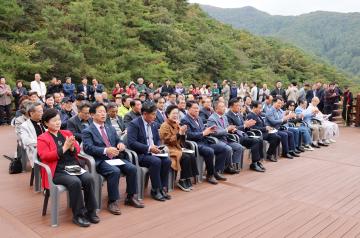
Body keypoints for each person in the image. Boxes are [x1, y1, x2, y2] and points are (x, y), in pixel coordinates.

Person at [37, 108, 99, 227]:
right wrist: (64, 148)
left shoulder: (67, 133)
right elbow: (45, 156)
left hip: (71, 166)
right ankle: (78, 215)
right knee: (75, 182)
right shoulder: (42, 138)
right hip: (57, 171)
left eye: (59, 120)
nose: (58, 122)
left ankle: (91, 211)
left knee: (88, 178)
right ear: (46, 123)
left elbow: (77, 150)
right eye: (54, 120)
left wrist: (72, 148)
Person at [82, 103, 144, 215]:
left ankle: (130, 197)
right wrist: (105, 150)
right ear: (92, 115)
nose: (103, 114)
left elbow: (118, 140)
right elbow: (88, 148)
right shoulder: (88, 131)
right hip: (101, 160)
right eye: (100, 112)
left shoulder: (109, 128)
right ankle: (112, 201)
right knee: (114, 171)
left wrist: (121, 145)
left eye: (104, 112)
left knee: (132, 168)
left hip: (115, 157)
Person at [127, 102, 172, 201]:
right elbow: (132, 142)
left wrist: (158, 147)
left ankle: (163, 188)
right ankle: (155, 190)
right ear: (145, 114)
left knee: (167, 161)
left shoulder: (154, 124)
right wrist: (148, 148)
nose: (155, 117)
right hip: (140, 154)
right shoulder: (134, 124)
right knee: (156, 161)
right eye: (153, 114)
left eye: (155, 114)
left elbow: (157, 139)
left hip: (153, 152)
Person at [181, 100, 230, 184]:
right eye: (195, 108)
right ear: (188, 108)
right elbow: (188, 135)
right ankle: (210, 175)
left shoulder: (199, 118)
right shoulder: (185, 120)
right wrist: (203, 133)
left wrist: (209, 130)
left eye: (198, 108)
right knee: (209, 151)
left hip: (204, 141)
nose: (197, 110)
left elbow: (204, 131)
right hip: (195, 144)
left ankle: (216, 171)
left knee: (224, 148)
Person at [159, 105, 199, 192]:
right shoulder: (164, 125)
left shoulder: (177, 124)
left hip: (177, 148)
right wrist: (179, 133)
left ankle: (187, 178)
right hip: (168, 148)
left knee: (191, 155)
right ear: (168, 114)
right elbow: (168, 140)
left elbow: (182, 141)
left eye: (177, 113)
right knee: (185, 157)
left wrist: (183, 133)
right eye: (173, 113)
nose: (175, 115)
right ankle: (182, 180)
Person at [225, 98, 266, 171]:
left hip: (244, 135)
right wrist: (244, 125)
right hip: (236, 137)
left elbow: (244, 127)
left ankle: (257, 161)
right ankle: (254, 163)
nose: (239, 107)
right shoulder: (228, 116)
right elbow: (232, 129)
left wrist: (248, 125)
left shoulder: (239, 115)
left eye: (239, 105)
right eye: (236, 105)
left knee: (259, 139)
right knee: (255, 141)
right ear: (231, 107)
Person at [207, 101, 245, 173]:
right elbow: (215, 132)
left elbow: (227, 127)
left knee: (239, 147)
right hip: (217, 141)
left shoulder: (224, 117)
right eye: (222, 107)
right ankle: (226, 167)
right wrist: (227, 129)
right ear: (216, 108)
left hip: (226, 139)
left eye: (224, 106)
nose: (224, 108)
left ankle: (232, 165)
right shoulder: (211, 119)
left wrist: (232, 129)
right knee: (228, 149)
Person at [19, 102, 45, 167]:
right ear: (32, 113)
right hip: (36, 151)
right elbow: (26, 141)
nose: (42, 113)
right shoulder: (24, 126)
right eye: (40, 111)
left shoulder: (45, 122)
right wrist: (43, 143)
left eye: (42, 111)